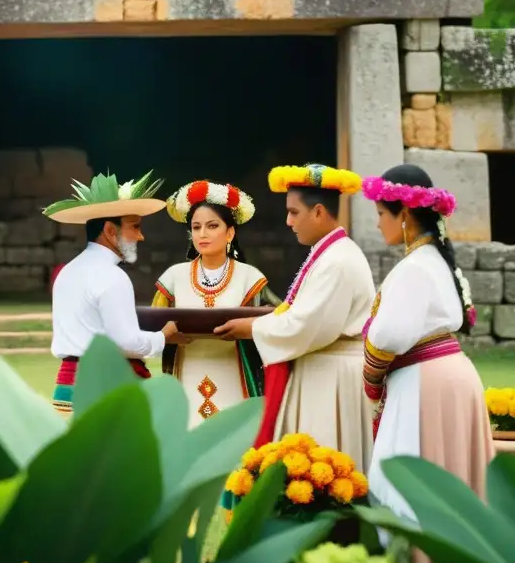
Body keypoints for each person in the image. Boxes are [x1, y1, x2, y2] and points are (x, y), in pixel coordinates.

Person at [360, 163, 495, 563]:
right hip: (449, 375)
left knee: (402, 482)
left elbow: (386, 338)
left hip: (425, 381)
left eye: (381, 214)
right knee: (449, 477)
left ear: (403, 215)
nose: (378, 222)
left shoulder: (413, 269)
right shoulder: (435, 260)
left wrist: (370, 377)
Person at [215, 164, 376, 471]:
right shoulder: (329, 254)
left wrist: (252, 327)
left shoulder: (338, 261)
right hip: (322, 369)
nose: (288, 222)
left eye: (294, 212)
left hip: (332, 377)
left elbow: (306, 325)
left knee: (323, 469)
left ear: (318, 212)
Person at [44, 171, 181, 416]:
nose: (141, 236)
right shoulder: (113, 276)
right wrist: (164, 336)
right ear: (109, 230)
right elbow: (126, 342)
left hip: (67, 387)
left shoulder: (67, 271)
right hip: (104, 385)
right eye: (134, 227)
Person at [151, 181, 281, 428]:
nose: (202, 234)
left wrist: (250, 326)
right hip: (188, 368)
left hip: (234, 371)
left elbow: (281, 317)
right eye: (196, 227)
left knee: (234, 440)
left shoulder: (250, 277)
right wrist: (166, 335)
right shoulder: (173, 277)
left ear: (230, 233)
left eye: (212, 226)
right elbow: (153, 324)